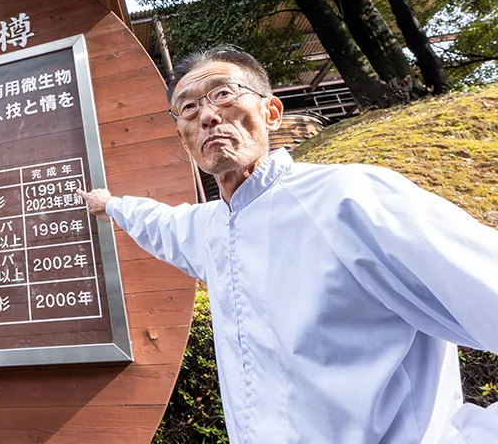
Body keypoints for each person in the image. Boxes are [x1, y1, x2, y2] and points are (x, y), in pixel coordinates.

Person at [77, 45, 498, 444]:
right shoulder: (208, 229)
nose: (207, 115)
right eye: (188, 107)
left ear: (272, 112)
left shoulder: (352, 199)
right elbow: (157, 222)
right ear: (183, 136)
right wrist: (110, 204)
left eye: (222, 94)